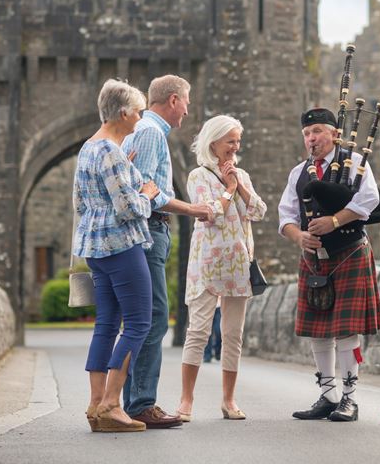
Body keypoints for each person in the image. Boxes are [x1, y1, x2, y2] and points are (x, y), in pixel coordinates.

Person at [278, 108, 380, 423]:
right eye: (307, 134)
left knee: (347, 332)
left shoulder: (354, 164)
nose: (312, 139)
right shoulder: (298, 173)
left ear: (334, 134)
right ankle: (327, 395)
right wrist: (299, 237)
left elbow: (369, 200)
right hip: (314, 259)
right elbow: (285, 216)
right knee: (319, 333)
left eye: (318, 133)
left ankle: (349, 399)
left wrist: (335, 220)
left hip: (349, 251)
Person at [120, 75, 213, 429]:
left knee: (142, 318)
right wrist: (194, 209)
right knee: (153, 317)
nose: (188, 110)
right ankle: (140, 403)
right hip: (148, 233)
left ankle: (129, 401)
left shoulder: (148, 132)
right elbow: (146, 192)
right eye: (187, 102)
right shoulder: (150, 132)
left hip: (151, 232)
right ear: (173, 100)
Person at [73, 79, 159, 433]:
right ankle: (111, 403)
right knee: (139, 321)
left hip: (94, 248)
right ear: (123, 113)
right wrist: (149, 195)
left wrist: (127, 170)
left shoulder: (88, 148)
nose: (140, 119)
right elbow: (127, 207)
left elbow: (81, 202)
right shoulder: (110, 150)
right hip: (121, 246)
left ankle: (95, 404)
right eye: (138, 112)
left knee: (106, 324)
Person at [177, 115, 267, 421]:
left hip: (239, 264)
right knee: (198, 331)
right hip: (207, 264)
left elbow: (258, 210)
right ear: (213, 142)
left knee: (232, 335)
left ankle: (229, 400)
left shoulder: (241, 174)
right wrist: (228, 188)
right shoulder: (197, 176)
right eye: (230, 140)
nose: (235, 146)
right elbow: (210, 214)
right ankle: (186, 400)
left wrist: (239, 185)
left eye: (238, 141)